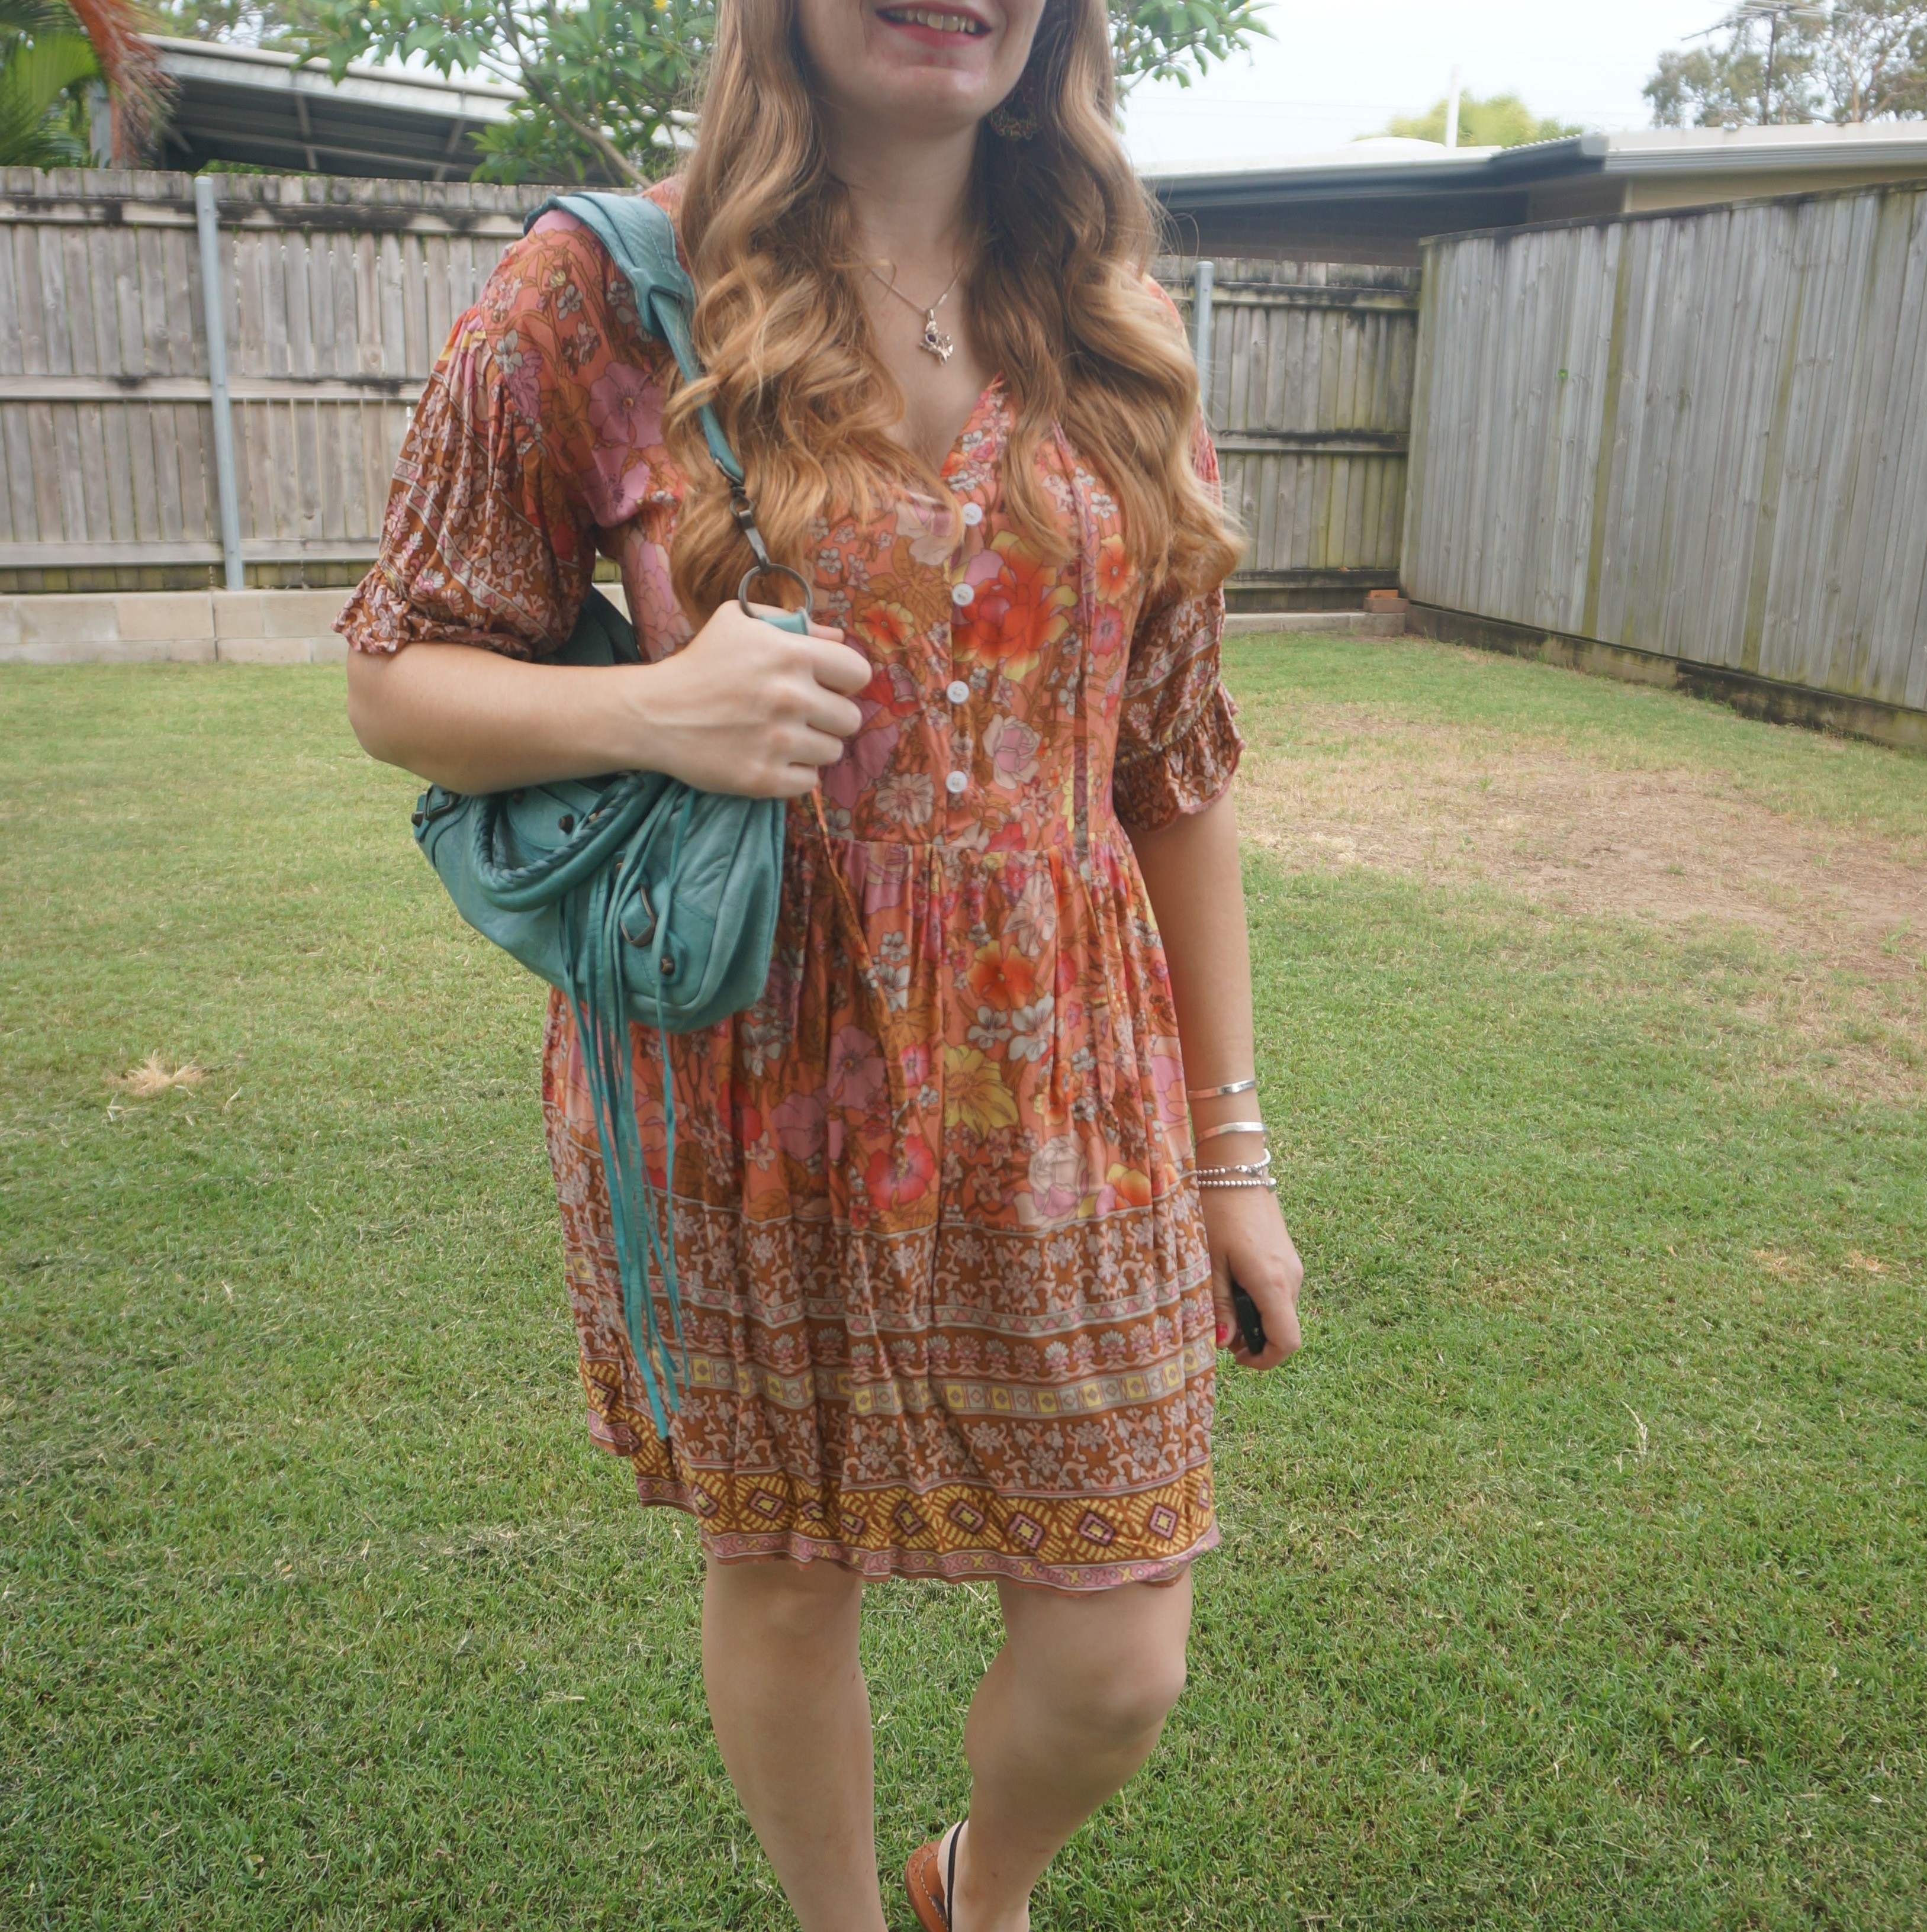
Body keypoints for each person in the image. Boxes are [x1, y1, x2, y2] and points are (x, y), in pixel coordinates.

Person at [341, 0, 1304, 1923]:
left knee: (1120, 1660)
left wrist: (1235, 1152)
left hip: (1071, 1074)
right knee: (786, 1565)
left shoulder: (1112, 319)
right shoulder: (606, 296)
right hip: (752, 1059)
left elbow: (1173, 771)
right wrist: (655, 711)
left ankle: (982, 1885)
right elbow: (398, 675)